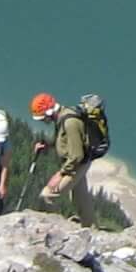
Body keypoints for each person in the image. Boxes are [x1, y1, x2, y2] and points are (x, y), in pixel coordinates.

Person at [43, 91, 110, 222]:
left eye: (41, 117)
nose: (42, 121)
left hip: (77, 164)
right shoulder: (63, 115)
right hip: (79, 162)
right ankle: (90, 226)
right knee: (80, 199)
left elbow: (76, 156)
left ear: (48, 113)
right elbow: (64, 140)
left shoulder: (69, 122)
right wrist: (48, 145)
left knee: (48, 194)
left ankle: (52, 226)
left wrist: (60, 175)